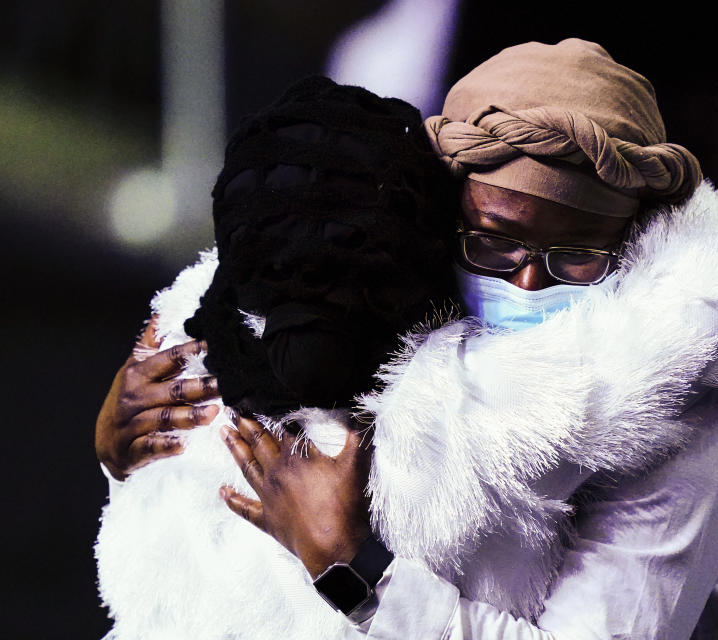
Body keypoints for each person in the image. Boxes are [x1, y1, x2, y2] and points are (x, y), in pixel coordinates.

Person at [208, 39, 718, 639]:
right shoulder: (427, 274)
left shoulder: (705, 389)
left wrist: (352, 573)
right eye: (496, 243)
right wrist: (129, 433)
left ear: (632, 236)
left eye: (576, 255)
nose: (526, 283)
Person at [95, 76, 457, 639]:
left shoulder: (481, 396)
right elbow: (166, 558)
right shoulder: (199, 350)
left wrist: (358, 571)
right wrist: (130, 463)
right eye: (277, 272)